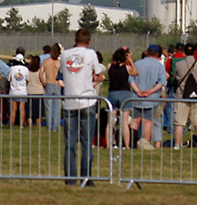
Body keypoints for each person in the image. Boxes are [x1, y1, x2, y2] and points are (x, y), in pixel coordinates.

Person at [59, 29, 105, 185]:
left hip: (70, 102)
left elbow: (63, 73)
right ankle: (86, 178)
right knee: (86, 143)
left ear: (74, 39)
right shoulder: (91, 54)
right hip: (87, 100)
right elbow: (98, 74)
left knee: (70, 144)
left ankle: (70, 179)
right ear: (89, 41)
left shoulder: (64, 55)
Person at [130, 44, 167, 148]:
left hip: (136, 97)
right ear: (157, 54)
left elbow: (131, 80)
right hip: (151, 98)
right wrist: (150, 92)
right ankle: (145, 143)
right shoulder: (159, 66)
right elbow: (161, 82)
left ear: (147, 52)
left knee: (135, 120)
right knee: (147, 121)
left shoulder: (137, 63)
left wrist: (138, 91)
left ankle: (131, 142)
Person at [172, 44, 197, 148]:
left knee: (179, 123)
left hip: (182, 95)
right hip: (195, 94)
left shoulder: (179, 64)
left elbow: (175, 77)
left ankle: (177, 144)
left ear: (184, 52)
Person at [106, 48, 136, 147]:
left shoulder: (110, 66)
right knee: (124, 122)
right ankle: (127, 145)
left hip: (112, 93)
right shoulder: (126, 68)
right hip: (124, 94)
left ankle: (109, 144)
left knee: (111, 122)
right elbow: (135, 72)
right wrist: (131, 60)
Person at [39, 44, 62, 132]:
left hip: (48, 84)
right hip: (57, 85)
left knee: (49, 107)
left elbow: (40, 74)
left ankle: (49, 126)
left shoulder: (46, 61)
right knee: (57, 107)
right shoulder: (59, 63)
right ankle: (55, 126)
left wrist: (44, 83)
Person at [26, 55, 45, 127]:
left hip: (30, 91)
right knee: (38, 112)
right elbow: (43, 80)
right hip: (39, 92)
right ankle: (38, 125)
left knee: (30, 111)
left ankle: (30, 124)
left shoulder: (28, 71)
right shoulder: (40, 71)